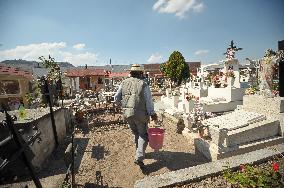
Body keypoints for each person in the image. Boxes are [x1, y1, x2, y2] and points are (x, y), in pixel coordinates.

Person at [114, 64, 157, 168]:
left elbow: (116, 98)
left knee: (136, 133)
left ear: (131, 73)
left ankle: (139, 151)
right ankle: (139, 157)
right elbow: (148, 101)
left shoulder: (123, 83)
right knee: (143, 135)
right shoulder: (143, 84)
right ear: (140, 73)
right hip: (140, 114)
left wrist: (124, 106)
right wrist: (152, 113)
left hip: (128, 114)